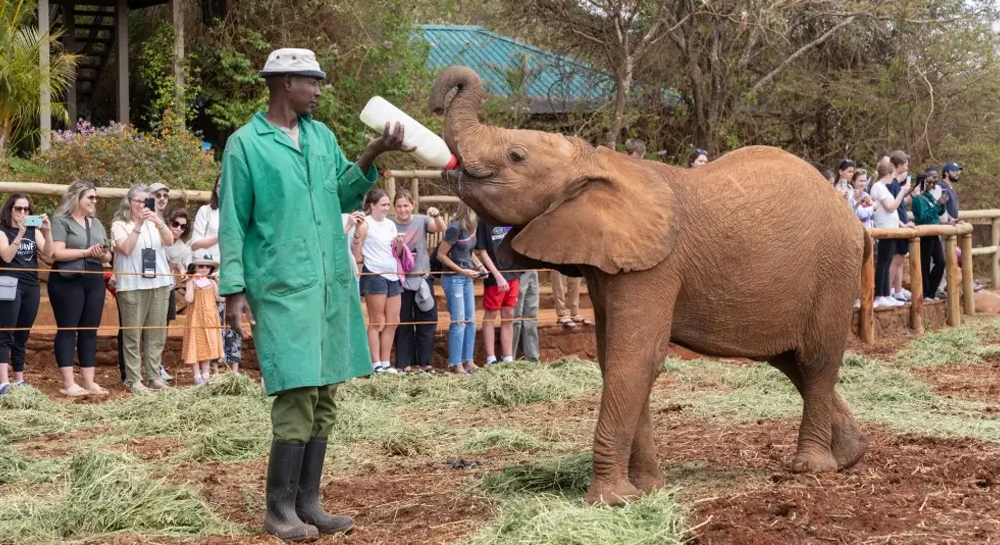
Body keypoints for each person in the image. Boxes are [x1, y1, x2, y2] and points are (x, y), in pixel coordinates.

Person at [218, 47, 413, 541]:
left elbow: (343, 193)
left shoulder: (321, 136)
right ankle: (278, 509)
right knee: (298, 390)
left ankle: (308, 503)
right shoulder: (246, 145)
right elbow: (233, 220)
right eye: (313, 81)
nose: (320, 90)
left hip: (329, 285)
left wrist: (371, 153)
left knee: (325, 393)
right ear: (286, 83)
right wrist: (234, 287)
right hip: (281, 285)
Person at [49, 180, 113, 396]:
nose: (95, 201)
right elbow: (57, 252)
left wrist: (103, 253)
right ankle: (68, 383)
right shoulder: (61, 221)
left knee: (89, 330)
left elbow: (107, 256)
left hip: (94, 278)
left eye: (96, 197)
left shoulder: (97, 223)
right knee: (67, 328)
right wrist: (86, 252)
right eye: (90, 197)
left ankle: (89, 382)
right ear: (77, 198)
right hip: (68, 278)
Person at [111, 184, 175, 393]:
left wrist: (158, 222)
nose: (142, 205)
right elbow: (126, 248)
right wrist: (138, 224)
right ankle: (134, 379)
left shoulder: (155, 222)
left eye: (146, 201)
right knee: (132, 334)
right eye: (138, 201)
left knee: (156, 333)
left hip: (159, 283)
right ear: (129, 202)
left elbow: (170, 241)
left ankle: (154, 376)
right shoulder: (119, 224)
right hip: (132, 285)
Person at [0, 195, 52, 395]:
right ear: (10, 210)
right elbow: (6, 256)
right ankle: (3, 381)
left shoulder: (33, 231)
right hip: (9, 284)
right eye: (18, 208)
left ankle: (19, 379)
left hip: (31, 285)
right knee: (6, 332)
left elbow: (48, 254)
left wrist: (47, 231)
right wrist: (20, 233)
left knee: (22, 333)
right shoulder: (3, 231)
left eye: (26, 209)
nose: (22, 212)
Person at [391, 190, 445, 373]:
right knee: (403, 322)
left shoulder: (422, 220)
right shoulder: (390, 225)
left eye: (406, 205)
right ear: (394, 207)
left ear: (412, 205)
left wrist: (436, 215)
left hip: (422, 279)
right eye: (399, 206)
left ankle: (425, 363)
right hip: (401, 280)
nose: (403, 210)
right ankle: (404, 364)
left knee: (427, 320)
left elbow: (440, 228)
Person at [194, 176, 244, 373]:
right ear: (214, 188)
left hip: (234, 273)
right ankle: (214, 369)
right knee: (213, 323)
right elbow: (195, 243)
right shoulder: (206, 211)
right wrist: (221, 236)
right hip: (211, 273)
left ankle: (234, 370)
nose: (223, 189)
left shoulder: (240, 210)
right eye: (219, 185)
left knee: (234, 321)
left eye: (227, 185)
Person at [355, 188, 406, 374]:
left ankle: (386, 362)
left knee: (393, 321)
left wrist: (399, 245)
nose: (386, 208)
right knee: (376, 321)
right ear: (372, 205)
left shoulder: (390, 224)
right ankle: (375, 363)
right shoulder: (365, 224)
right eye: (383, 205)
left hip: (393, 275)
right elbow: (357, 254)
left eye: (387, 205)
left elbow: (396, 253)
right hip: (375, 275)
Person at [437, 203, 482, 374]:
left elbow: (469, 252)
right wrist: (461, 271)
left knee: (471, 320)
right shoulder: (454, 228)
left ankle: (468, 360)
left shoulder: (473, 227)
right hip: (453, 278)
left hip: (467, 277)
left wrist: (480, 267)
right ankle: (456, 364)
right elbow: (441, 255)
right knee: (459, 320)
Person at [476, 221, 519, 365]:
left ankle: (508, 357)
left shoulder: (511, 216)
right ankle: (491, 358)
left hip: (512, 272)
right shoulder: (484, 221)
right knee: (491, 314)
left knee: (509, 314)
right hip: (495, 275)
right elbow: (482, 251)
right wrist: (497, 275)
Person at [869, 161, 909, 308]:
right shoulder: (878, 187)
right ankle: (879, 295)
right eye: (893, 174)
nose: (894, 177)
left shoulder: (884, 188)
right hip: (884, 229)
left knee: (887, 262)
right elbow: (890, 207)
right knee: (883, 262)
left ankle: (886, 294)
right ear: (888, 174)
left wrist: (903, 225)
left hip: (892, 229)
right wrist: (902, 193)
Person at [182, 256, 223, 385]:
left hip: (209, 317)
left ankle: (206, 375)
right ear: (195, 268)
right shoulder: (192, 282)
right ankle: (197, 376)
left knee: (207, 344)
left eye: (207, 266)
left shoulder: (212, 283)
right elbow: (188, 299)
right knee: (194, 344)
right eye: (200, 266)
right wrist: (191, 282)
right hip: (196, 318)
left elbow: (221, 298)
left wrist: (219, 282)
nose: (204, 268)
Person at [911, 172, 949, 302]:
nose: (931, 185)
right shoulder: (918, 199)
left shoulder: (929, 196)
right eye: (929, 182)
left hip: (934, 232)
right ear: (921, 183)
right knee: (925, 263)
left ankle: (931, 291)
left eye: (933, 182)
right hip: (925, 233)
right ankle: (926, 293)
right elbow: (923, 218)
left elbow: (939, 212)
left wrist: (942, 203)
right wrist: (937, 205)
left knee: (940, 262)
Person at [511, 269, 539, 362]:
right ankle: (509, 358)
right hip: (519, 270)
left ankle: (532, 359)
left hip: (533, 269)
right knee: (516, 317)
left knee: (531, 316)